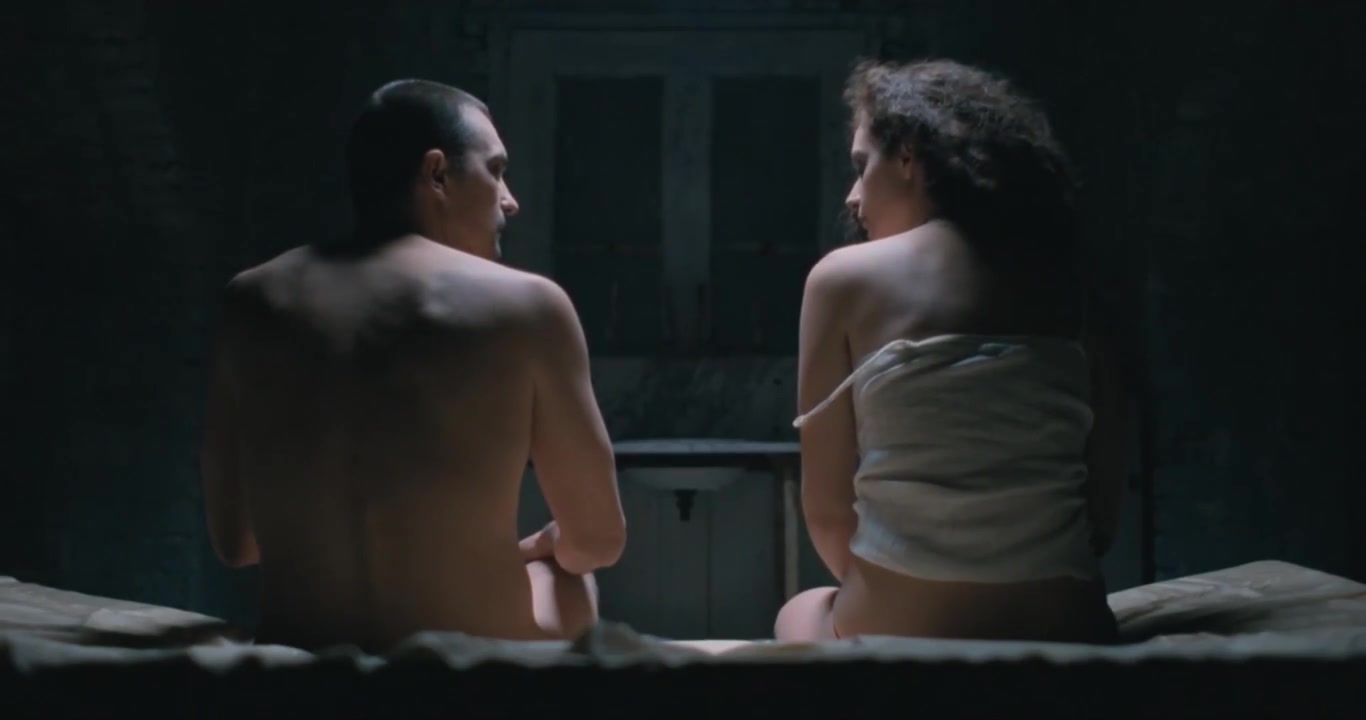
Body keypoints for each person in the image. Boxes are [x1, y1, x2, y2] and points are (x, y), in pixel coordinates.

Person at [199, 80, 626, 652]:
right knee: (573, 578)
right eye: (496, 171)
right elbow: (598, 540)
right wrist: (550, 545)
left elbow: (237, 544)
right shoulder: (529, 306)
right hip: (467, 663)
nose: (510, 200)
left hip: (306, 655)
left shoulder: (249, 301)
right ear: (438, 174)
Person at [775, 59, 1131, 644]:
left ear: (908, 157)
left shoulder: (841, 279)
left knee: (798, 611)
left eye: (863, 167)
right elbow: (1102, 515)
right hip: (1066, 620)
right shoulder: (1074, 280)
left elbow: (827, 513)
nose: (853, 196)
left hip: (898, 618)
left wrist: (907, 595)